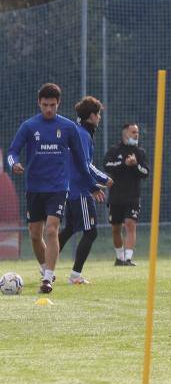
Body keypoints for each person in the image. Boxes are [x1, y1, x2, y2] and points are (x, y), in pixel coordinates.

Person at [6, 83, 102, 294]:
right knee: (34, 233)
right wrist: (14, 163)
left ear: (58, 104)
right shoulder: (30, 126)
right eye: (44, 105)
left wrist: (92, 185)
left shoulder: (68, 128)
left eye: (52, 105)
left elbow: (81, 162)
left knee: (52, 229)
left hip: (58, 187)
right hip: (34, 187)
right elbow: (12, 151)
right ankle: (45, 269)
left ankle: (48, 279)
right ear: (39, 104)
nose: (48, 109)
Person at [58, 96, 114, 284]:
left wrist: (94, 184)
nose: (99, 117)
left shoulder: (80, 132)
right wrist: (103, 180)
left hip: (72, 188)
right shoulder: (82, 134)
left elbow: (82, 164)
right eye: (98, 114)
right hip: (79, 191)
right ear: (91, 116)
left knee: (70, 229)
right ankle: (75, 276)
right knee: (91, 232)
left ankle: (46, 267)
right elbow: (84, 164)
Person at [104, 123, 149, 266]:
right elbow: (107, 166)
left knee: (130, 225)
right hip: (116, 197)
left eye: (137, 132)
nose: (136, 134)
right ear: (125, 134)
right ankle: (119, 258)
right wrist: (124, 164)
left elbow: (145, 173)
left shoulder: (140, 153)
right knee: (116, 228)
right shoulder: (114, 150)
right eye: (133, 132)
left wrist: (135, 165)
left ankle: (128, 258)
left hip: (133, 197)